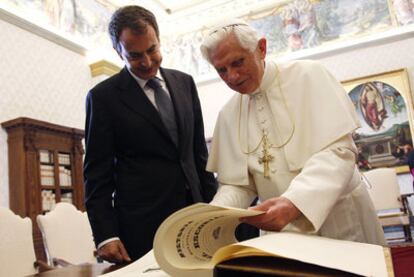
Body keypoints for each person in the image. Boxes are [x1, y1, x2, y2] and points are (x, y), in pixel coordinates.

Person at [200, 19, 386, 245]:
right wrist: (213, 216)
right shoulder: (228, 114)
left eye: (238, 62)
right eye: (221, 70)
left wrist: (294, 202)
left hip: (338, 218)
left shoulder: (309, 76)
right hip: (281, 233)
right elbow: (239, 184)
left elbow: (339, 152)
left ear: (261, 48)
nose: (232, 77)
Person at [84, 5, 217, 262]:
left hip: (196, 215)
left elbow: (199, 155)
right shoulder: (103, 98)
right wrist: (106, 235)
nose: (146, 62)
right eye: (134, 56)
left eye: (152, 50)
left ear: (158, 39)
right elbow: (96, 174)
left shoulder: (184, 83)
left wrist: (214, 209)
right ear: (117, 51)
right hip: (143, 226)